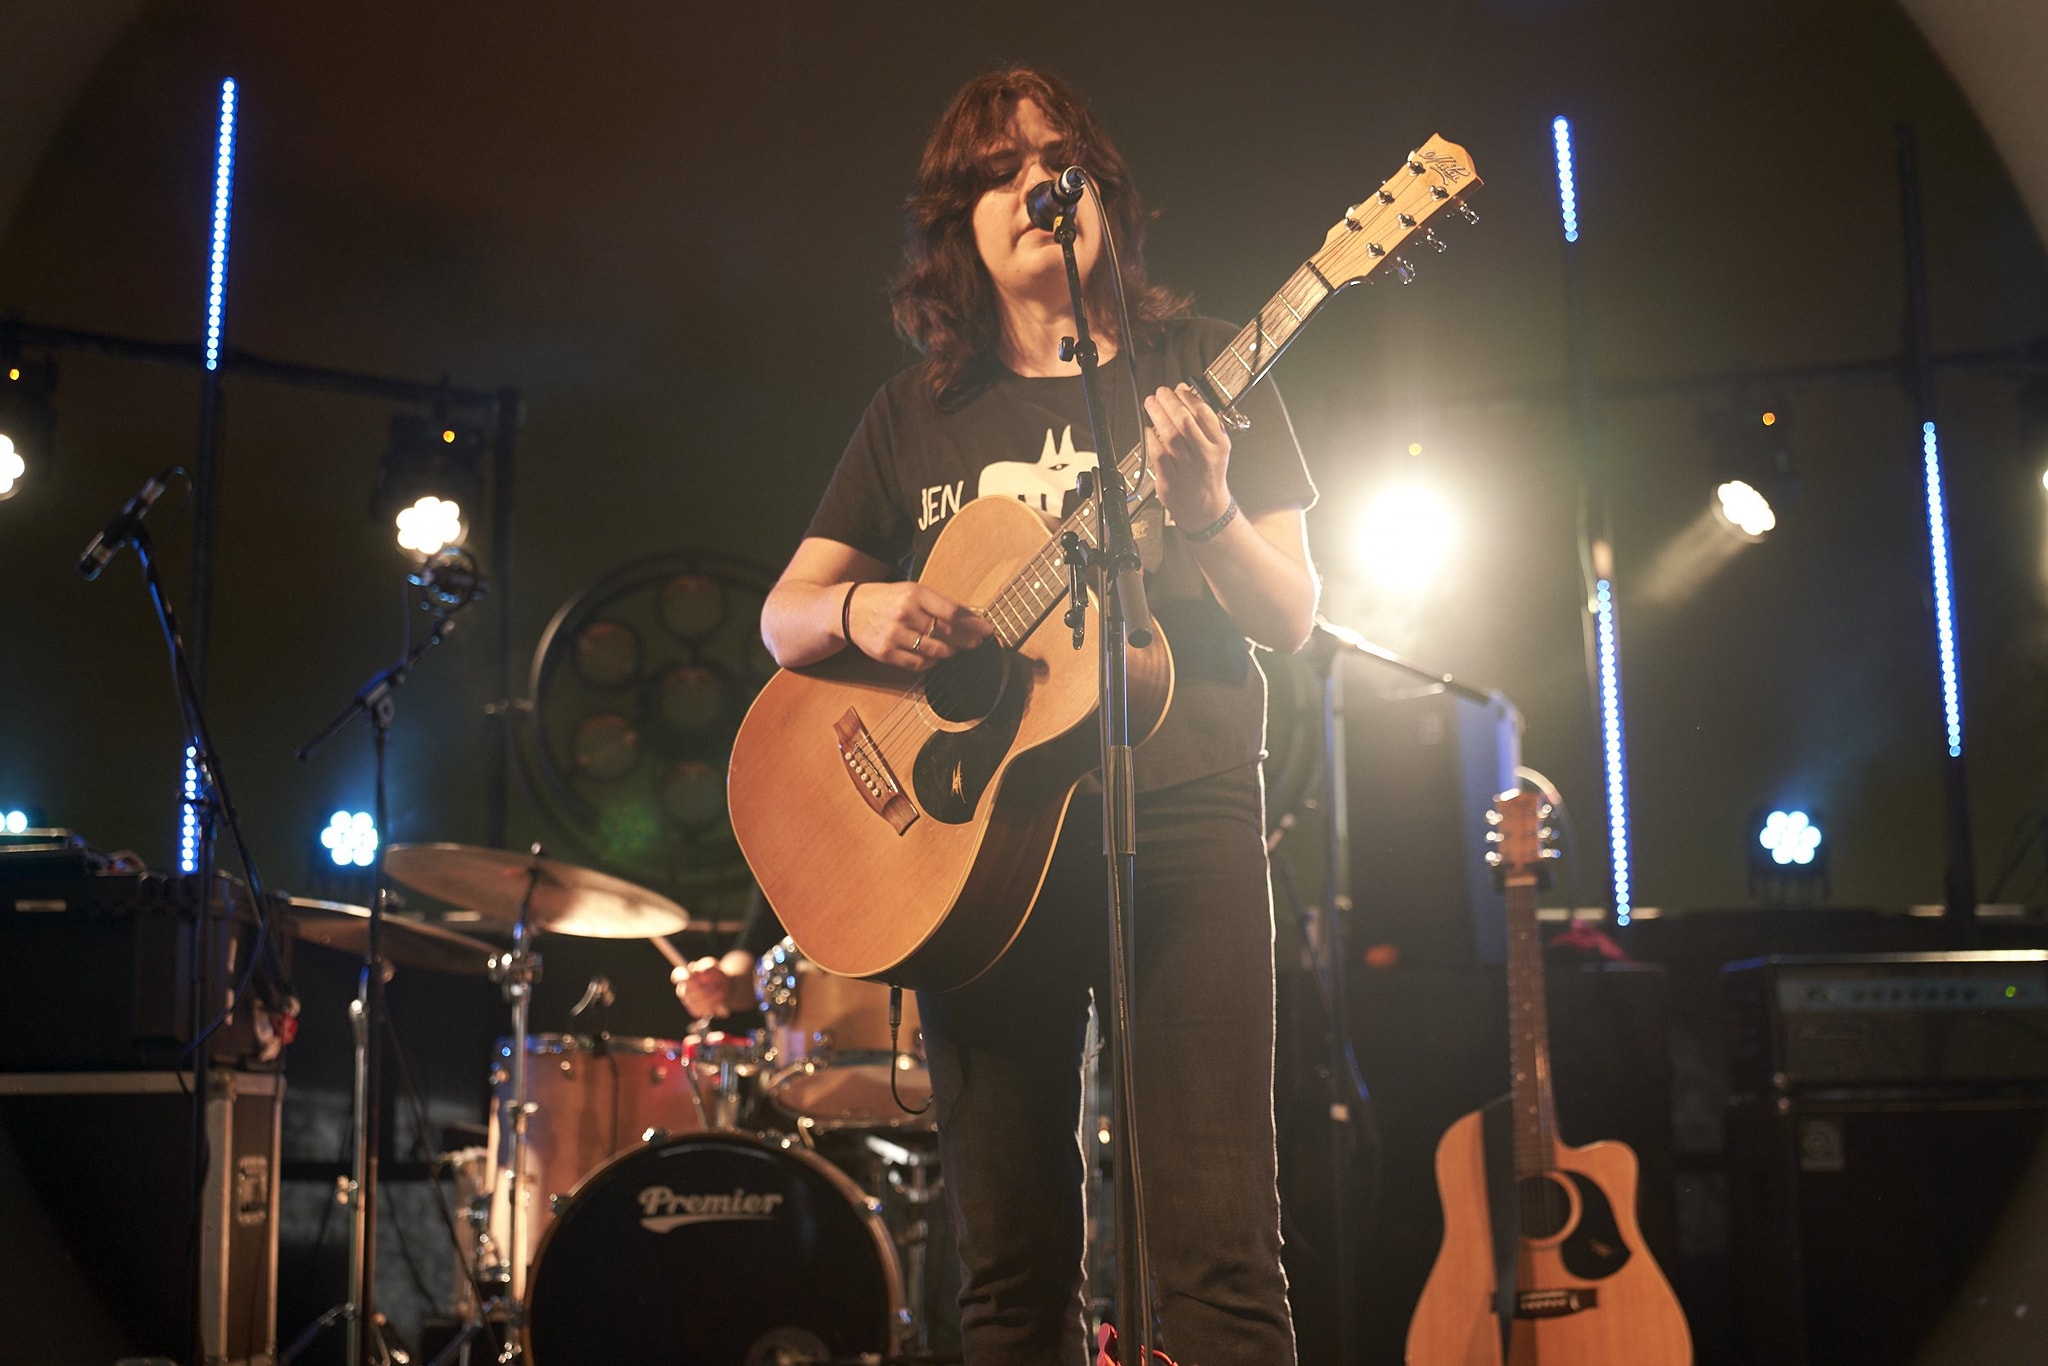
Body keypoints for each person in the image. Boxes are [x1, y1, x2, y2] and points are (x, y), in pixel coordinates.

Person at [752, 67, 1318, 1366]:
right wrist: (862, 609)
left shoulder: (1201, 368)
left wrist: (1206, 513)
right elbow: (784, 618)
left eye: (1055, 162)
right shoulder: (916, 412)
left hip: (1184, 820)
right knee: (1008, 1272)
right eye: (995, 174)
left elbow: (1290, 615)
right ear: (955, 222)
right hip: (979, 855)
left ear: (1102, 193)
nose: (1032, 188)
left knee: (1222, 1255)